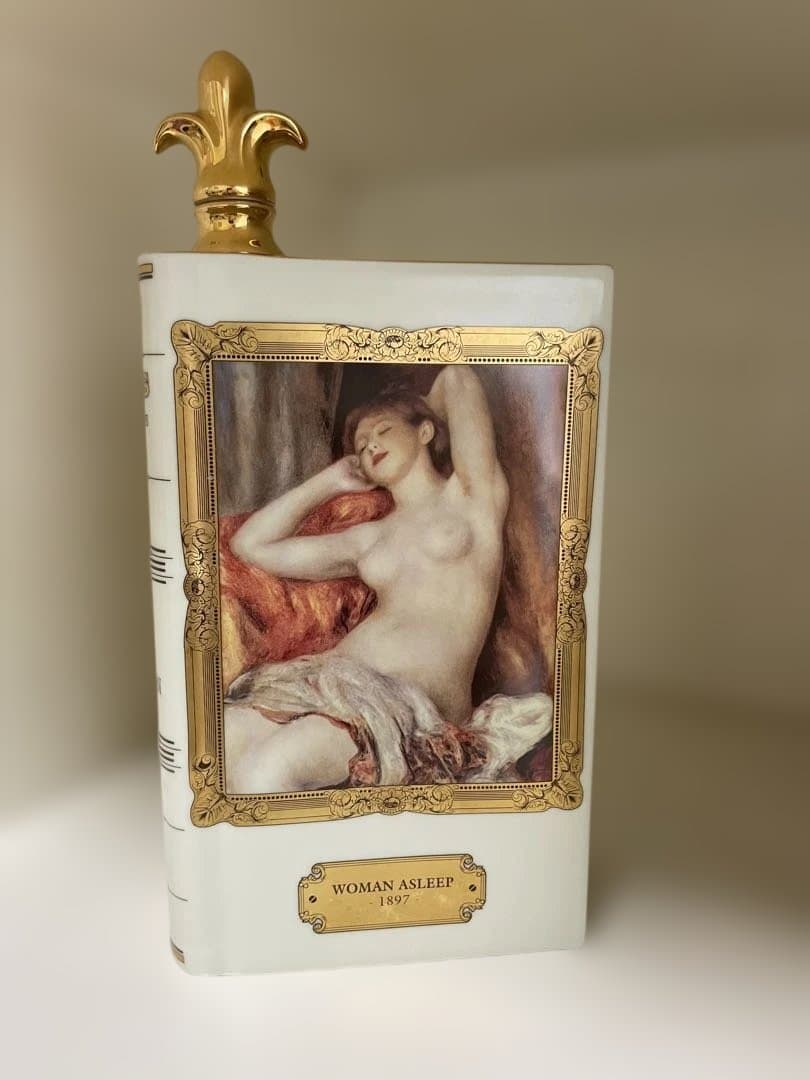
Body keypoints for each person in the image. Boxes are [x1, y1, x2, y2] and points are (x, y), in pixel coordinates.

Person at [224, 365, 551, 793]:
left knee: (266, 773)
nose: (372, 445)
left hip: (412, 700)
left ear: (425, 432)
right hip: (332, 679)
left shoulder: (472, 497)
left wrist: (414, 408)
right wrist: (330, 481)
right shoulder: (370, 538)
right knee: (227, 736)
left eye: (383, 430)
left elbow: (457, 378)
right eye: (362, 445)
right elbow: (251, 546)